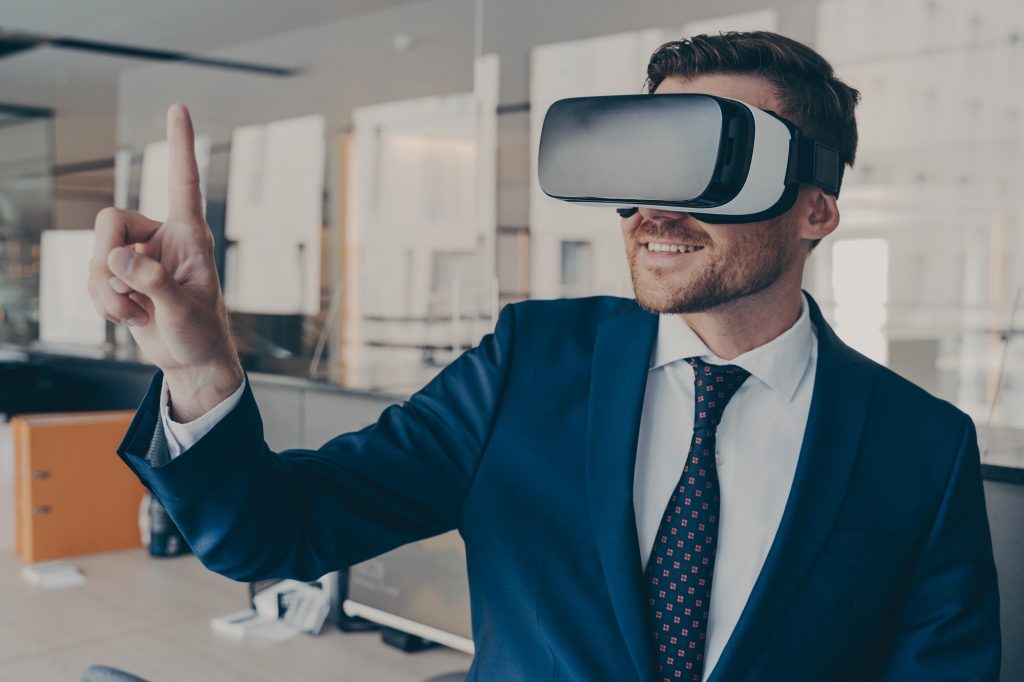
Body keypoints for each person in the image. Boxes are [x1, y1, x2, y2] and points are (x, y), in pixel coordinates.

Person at [87, 31, 1000, 682]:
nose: (654, 208)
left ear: (816, 209)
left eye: (711, 163)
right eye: (644, 161)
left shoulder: (922, 445)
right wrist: (201, 366)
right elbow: (273, 531)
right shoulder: (532, 363)